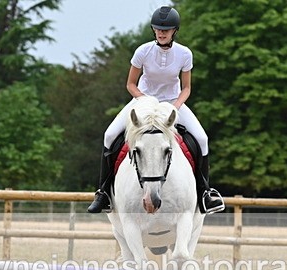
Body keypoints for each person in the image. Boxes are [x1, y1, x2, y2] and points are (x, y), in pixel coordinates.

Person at [87, 5, 225, 214]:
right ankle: (104, 192)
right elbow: (131, 84)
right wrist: (145, 100)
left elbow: (186, 87)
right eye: (158, 29)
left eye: (166, 29)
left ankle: (205, 193)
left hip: (172, 102)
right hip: (142, 100)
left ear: (174, 31)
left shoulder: (184, 54)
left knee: (202, 139)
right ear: (154, 30)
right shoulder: (143, 51)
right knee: (109, 135)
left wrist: (175, 106)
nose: (161, 33)